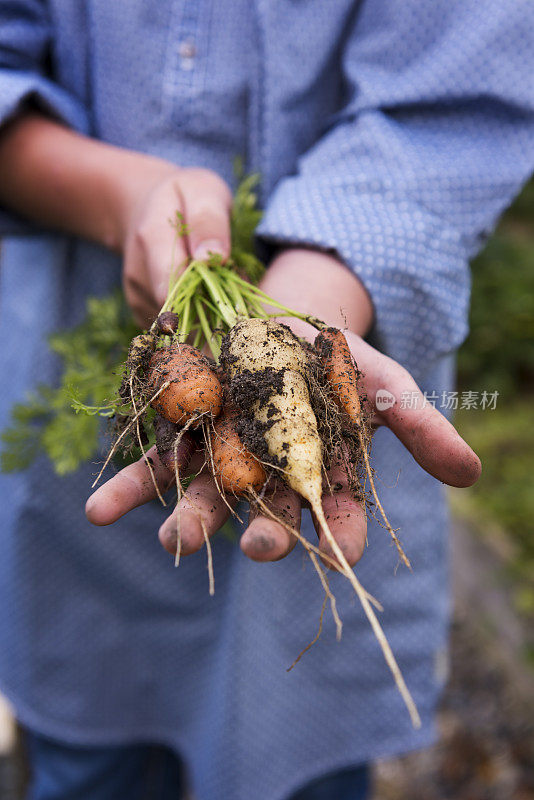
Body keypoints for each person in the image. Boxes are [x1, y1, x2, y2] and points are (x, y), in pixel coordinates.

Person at [0, 1, 532, 798]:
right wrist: (121, 197)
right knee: (89, 752)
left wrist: (315, 296)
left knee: (296, 769)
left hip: (345, 301)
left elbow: (454, 105)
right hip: (61, 355)